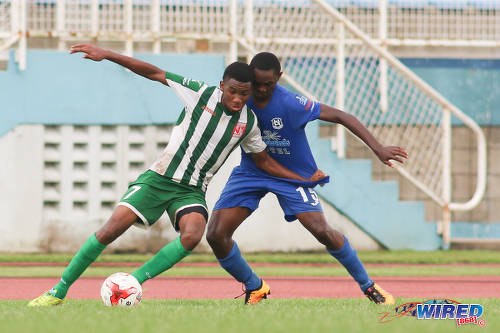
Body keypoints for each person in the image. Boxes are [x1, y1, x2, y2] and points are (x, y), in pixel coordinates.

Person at [28, 45, 326, 306]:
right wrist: (108, 55)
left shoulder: (248, 123)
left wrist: (302, 178)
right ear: (222, 85)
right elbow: (155, 72)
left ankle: (132, 282)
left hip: (191, 191)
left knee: (194, 234)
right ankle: (58, 291)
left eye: (244, 94)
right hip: (158, 178)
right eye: (233, 91)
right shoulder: (200, 93)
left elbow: (263, 160)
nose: (237, 98)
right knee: (110, 230)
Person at [206, 52, 408, 305]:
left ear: (279, 78)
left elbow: (341, 116)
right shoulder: (240, 97)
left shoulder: (291, 103)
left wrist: (377, 147)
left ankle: (369, 286)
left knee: (322, 231)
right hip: (252, 171)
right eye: (256, 84)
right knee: (216, 234)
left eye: (268, 84)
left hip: (294, 177)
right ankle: (255, 286)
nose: (261, 90)